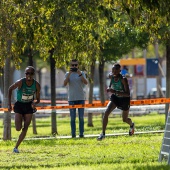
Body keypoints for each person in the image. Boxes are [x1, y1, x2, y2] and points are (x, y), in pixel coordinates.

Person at [97, 63, 134, 140]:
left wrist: (114, 91)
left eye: (116, 70)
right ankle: (103, 134)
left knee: (124, 119)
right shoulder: (111, 76)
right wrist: (109, 88)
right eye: (113, 70)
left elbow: (127, 94)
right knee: (106, 112)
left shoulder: (123, 79)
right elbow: (110, 84)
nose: (115, 71)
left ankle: (131, 124)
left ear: (120, 71)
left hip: (124, 99)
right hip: (115, 98)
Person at [8, 66, 41, 153]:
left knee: (25, 128)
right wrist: (9, 105)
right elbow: (10, 89)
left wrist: (35, 103)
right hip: (19, 105)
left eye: (31, 73)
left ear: (33, 74)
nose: (29, 75)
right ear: (25, 74)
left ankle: (16, 147)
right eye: (27, 73)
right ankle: (21, 118)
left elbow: (38, 100)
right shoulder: (20, 82)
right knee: (18, 128)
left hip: (29, 106)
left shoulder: (37, 85)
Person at [63, 59, 88, 138]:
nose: (74, 67)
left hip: (80, 98)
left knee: (81, 117)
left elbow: (86, 82)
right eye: (72, 65)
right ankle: (73, 134)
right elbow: (64, 84)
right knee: (72, 118)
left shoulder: (82, 73)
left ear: (78, 65)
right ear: (70, 66)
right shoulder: (67, 74)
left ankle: (81, 133)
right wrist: (69, 74)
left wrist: (80, 74)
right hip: (71, 99)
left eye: (75, 65)